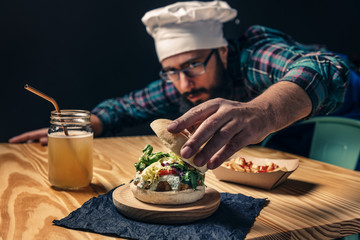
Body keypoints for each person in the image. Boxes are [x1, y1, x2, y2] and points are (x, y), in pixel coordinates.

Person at [9, 1, 359, 170]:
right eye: (171, 71)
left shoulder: (254, 57)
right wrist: (80, 127)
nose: (183, 82)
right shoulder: (184, 83)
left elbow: (326, 69)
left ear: (222, 52)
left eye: (192, 64)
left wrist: (261, 111)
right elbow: (125, 107)